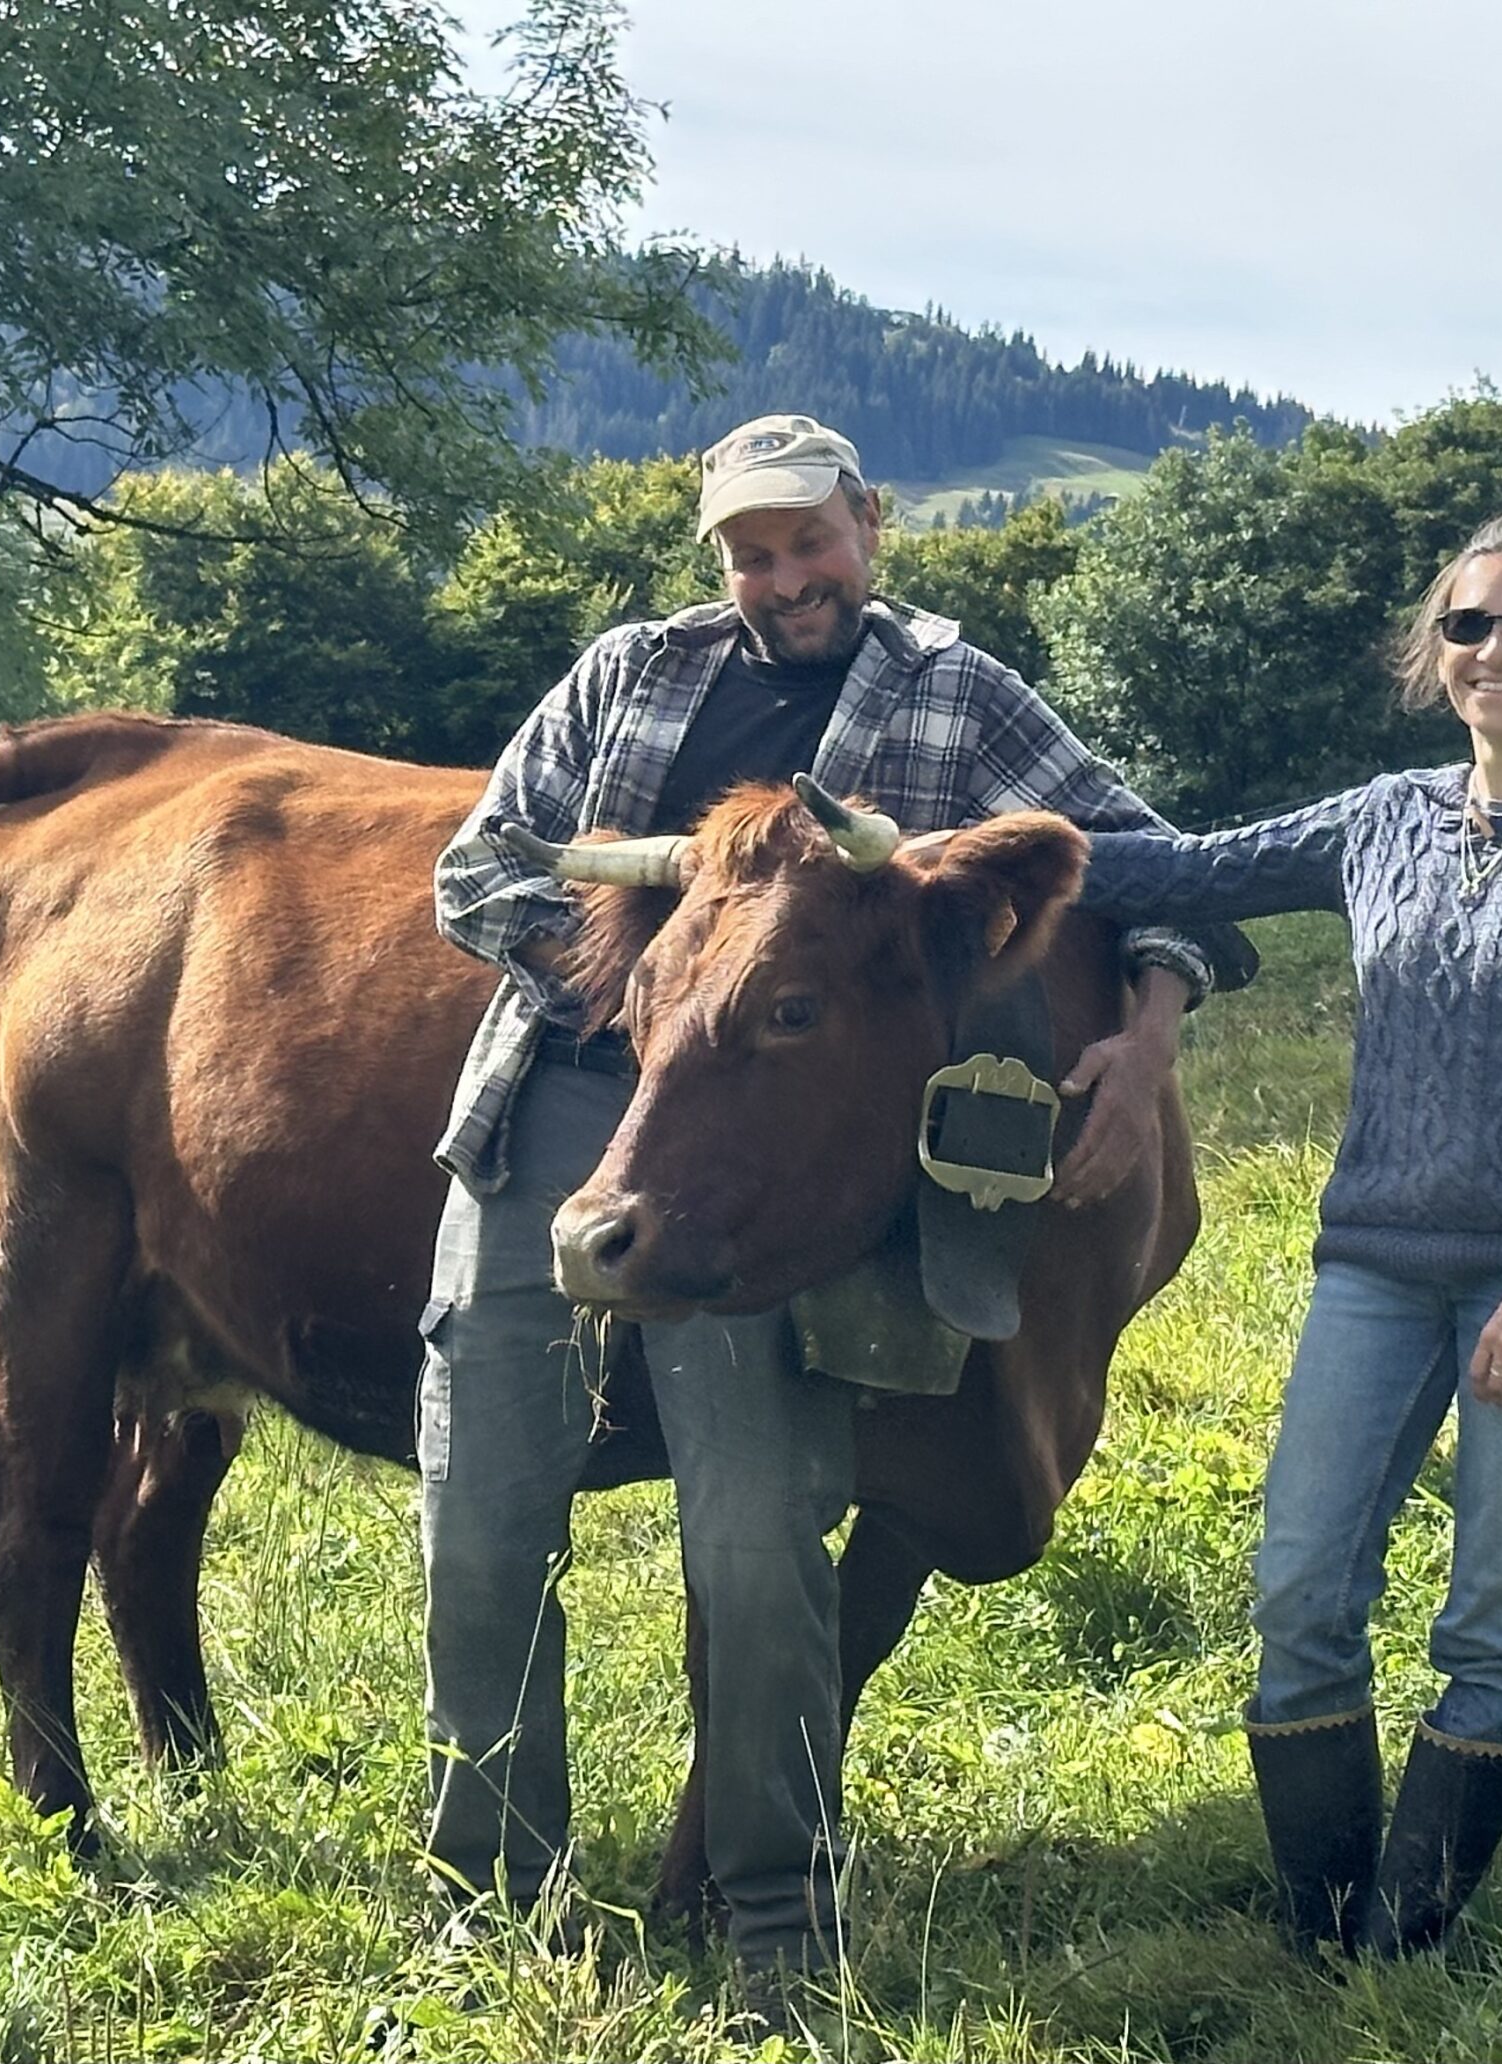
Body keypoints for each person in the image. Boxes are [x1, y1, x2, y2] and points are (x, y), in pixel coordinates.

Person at [420, 414, 1229, 1986]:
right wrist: (669, 952)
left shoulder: (955, 688)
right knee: (484, 1509)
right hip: (566, 1092)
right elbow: (479, 872)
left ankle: (773, 1908)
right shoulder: (628, 672)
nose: (784, 577)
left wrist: (1150, 1034)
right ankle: (491, 1897)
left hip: (773, 1143)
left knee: (759, 1531)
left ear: (868, 523)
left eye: (808, 541)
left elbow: (1147, 862)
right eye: (751, 553)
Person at [1064, 511, 1502, 1956]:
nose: (1497, 649)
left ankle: (1401, 1950)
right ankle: (1322, 1935)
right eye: (1470, 625)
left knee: (1495, 1609)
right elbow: (1185, 872)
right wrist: (971, 851)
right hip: (1374, 1266)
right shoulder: (1383, 820)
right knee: (1300, 1588)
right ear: (1437, 653)